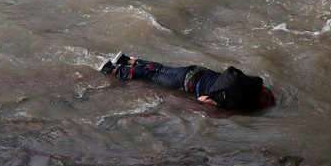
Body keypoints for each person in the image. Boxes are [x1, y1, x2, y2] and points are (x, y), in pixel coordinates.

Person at [100, 53, 275, 111]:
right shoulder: (233, 99)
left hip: (196, 70)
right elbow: (202, 100)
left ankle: (126, 59)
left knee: (161, 68)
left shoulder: (247, 82)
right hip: (186, 82)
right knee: (150, 76)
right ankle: (112, 69)